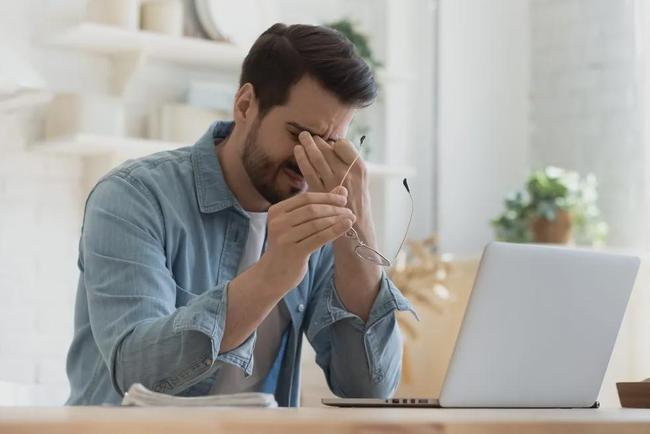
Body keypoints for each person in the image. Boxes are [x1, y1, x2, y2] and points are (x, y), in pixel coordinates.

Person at [66, 23, 414, 406]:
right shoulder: (133, 197)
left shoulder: (321, 219)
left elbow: (369, 389)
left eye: (330, 143)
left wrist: (359, 228)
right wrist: (273, 273)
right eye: (298, 134)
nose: (308, 159)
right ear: (245, 105)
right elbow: (136, 373)